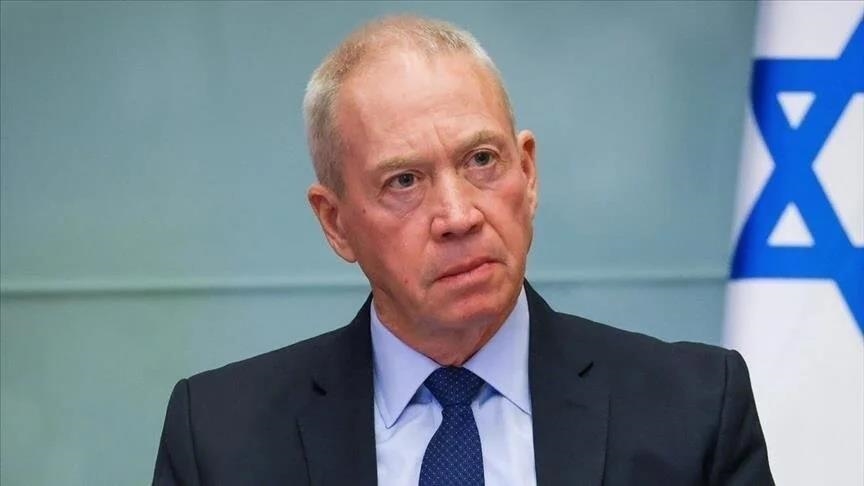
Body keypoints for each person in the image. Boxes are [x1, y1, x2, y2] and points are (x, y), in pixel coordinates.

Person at [153, 15, 773, 486]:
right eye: (404, 181)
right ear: (336, 223)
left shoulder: (694, 411)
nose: (458, 216)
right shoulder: (219, 439)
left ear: (527, 173)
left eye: (481, 160)